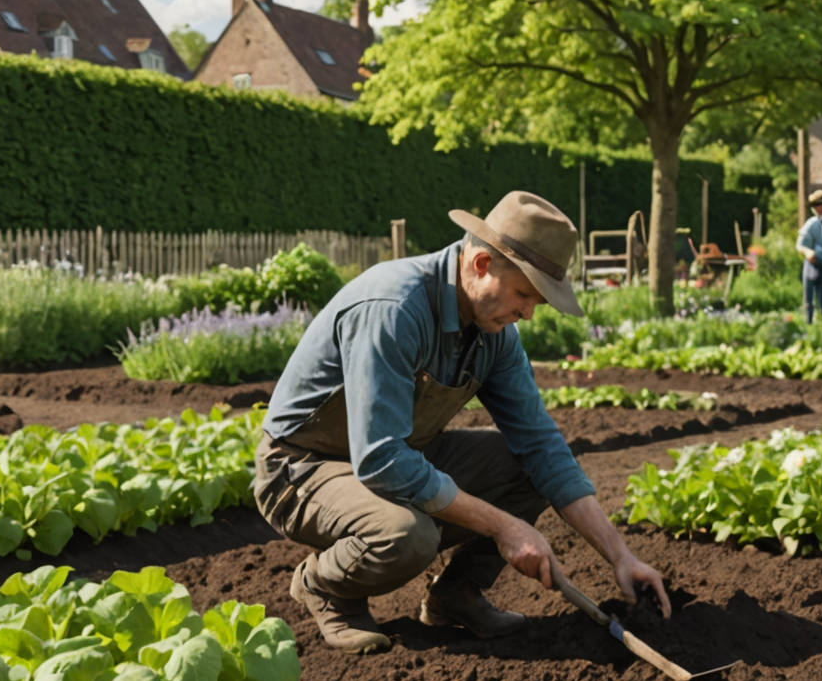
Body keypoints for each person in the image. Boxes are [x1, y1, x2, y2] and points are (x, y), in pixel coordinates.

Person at [255, 190, 674, 653]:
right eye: (523, 295)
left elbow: (542, 446)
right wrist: (503, 526)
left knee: (529, 468)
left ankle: (456, 595)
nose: (528, 313)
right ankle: (326, 586)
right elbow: (379, 461)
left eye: (537, 302)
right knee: (407, 533)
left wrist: (620, 556)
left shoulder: (495, 333)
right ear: (480, 265)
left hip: (396, 454)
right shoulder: (394, 308)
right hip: (301, 468)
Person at [796, 188, 822, 322]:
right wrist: (808, 252)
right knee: (809, 301)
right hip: (812, 267)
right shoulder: (811, 224)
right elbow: (799, 245)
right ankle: (808, 328)